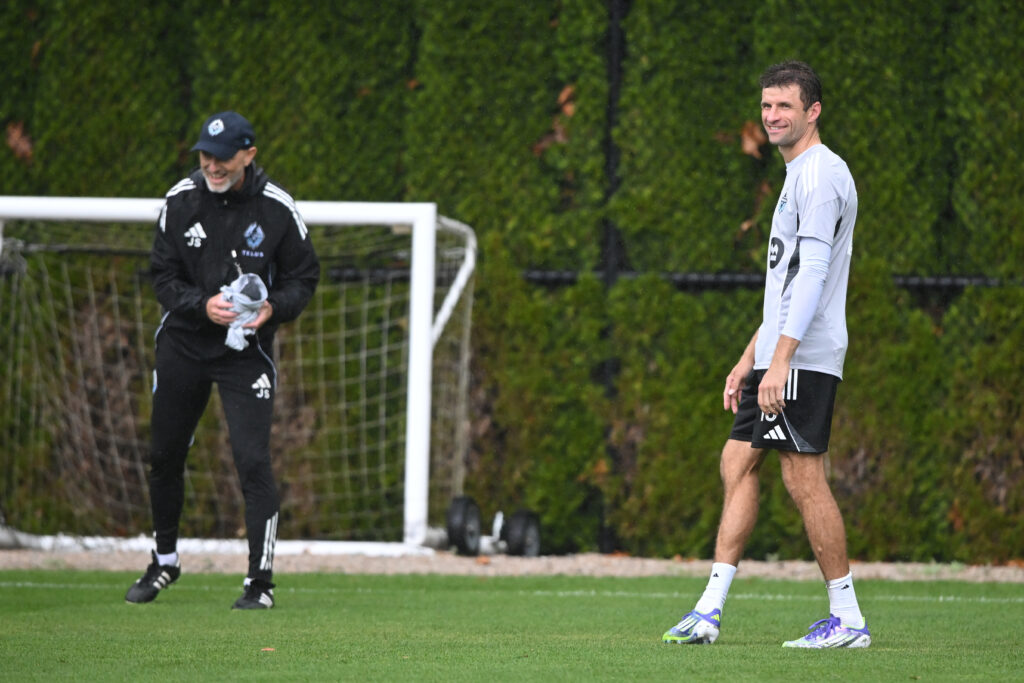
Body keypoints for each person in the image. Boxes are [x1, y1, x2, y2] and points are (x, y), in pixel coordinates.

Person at [662, 61, 869, 648]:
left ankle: (848, 620)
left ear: (813, 111)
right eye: (766, 106)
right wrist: (749, 355)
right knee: (737, 462)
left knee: (803, 476)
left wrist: (781, 361)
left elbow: (815, 276)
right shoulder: (796, 173)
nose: (772, 116)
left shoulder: (822, 175)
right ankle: (708, 611)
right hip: (778, 350)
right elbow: (786, 282)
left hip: (804, 355)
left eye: (784, 106)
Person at [125, 111, 319, 609]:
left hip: (244, 353)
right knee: (165, 455)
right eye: (205, 156)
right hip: (184, 344)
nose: (211, 165)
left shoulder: (277, 209)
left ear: (249, 156)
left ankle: (261, 582)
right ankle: (164, 560)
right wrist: (201, 305)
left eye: (222, 157)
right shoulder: (179, 200)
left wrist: (273, 307)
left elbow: (304, 278)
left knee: (252, 460)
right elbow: (162, 277)